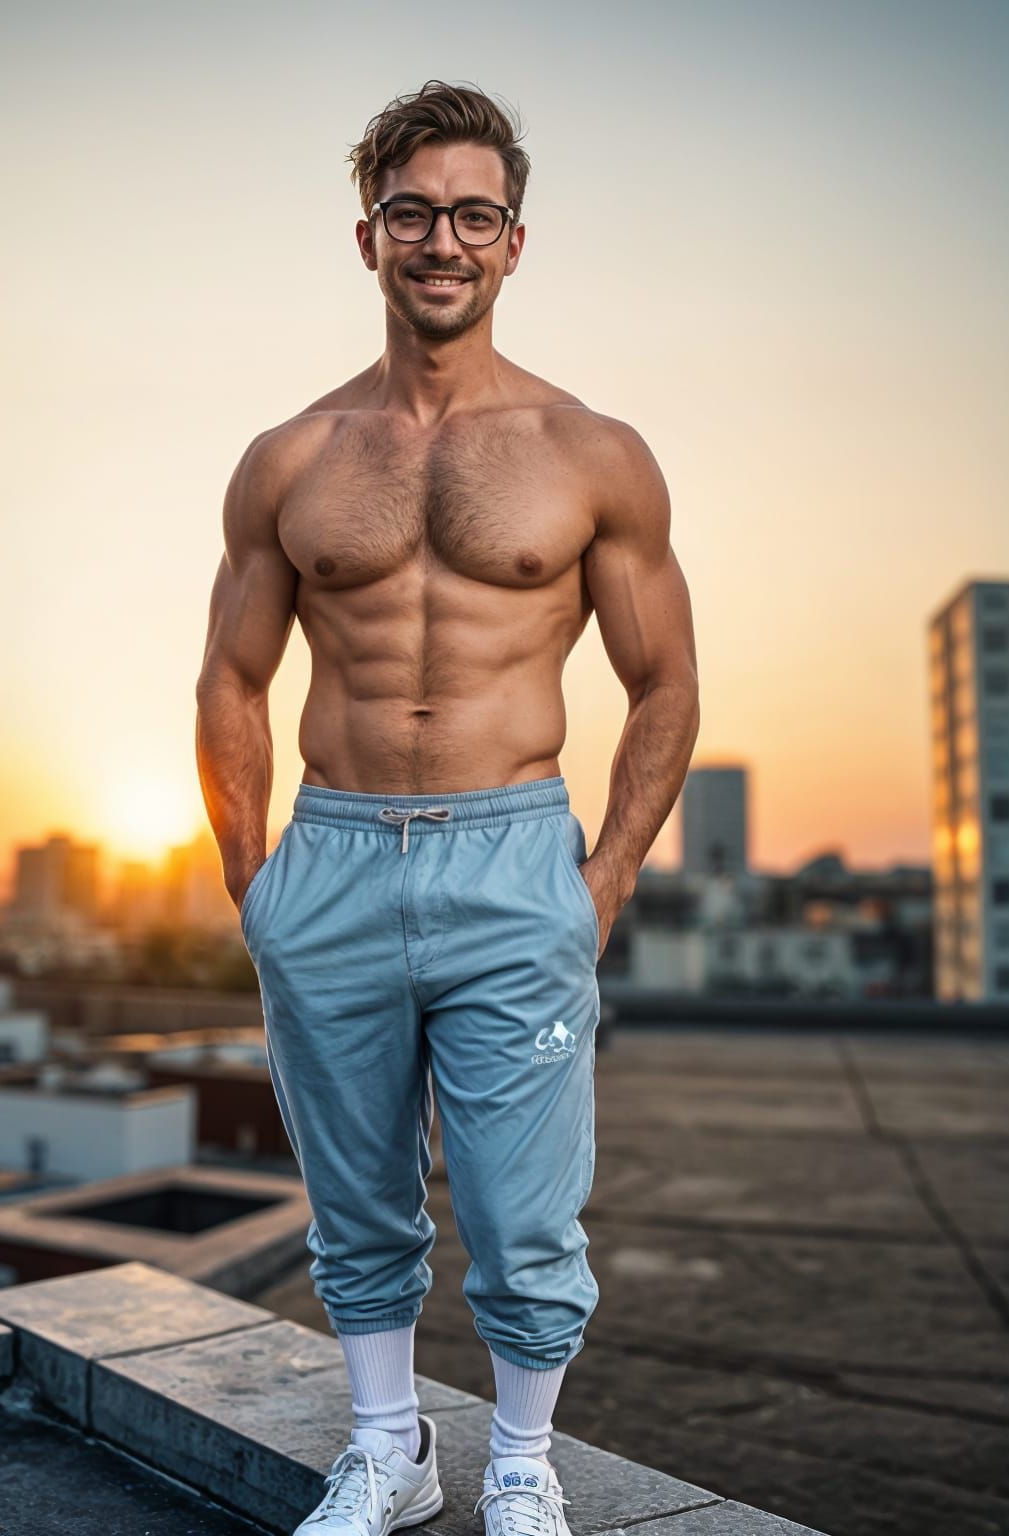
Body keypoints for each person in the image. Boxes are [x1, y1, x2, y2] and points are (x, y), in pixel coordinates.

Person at [195, 79, 699, 1536]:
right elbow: (230, 681)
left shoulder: (592, 452)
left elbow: (663, 685)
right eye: (413, 214)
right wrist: (257, 883)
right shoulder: (289, 459)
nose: (443, 241)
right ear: (369, 237)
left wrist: (599, 881)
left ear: (514, 242)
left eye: (473, 215)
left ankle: (525, 1466)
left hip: (512, 851)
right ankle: (388, 1450)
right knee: (354, 1206)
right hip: (334, 856)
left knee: (525, 1215)